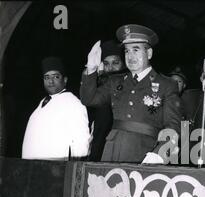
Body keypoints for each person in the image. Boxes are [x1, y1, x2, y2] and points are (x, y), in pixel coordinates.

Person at [80, 24, 183, 164]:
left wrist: (159, 154)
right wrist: (91, 68)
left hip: (145, 153)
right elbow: (89, 99)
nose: (130, 56)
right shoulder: (115, 81)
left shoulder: (166, 85)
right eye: (127, 51)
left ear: (149, 53)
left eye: (136, 50)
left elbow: (173, 126)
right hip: (112, 151)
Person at [22, 56, 90, 160]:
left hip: (54, 167)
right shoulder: (43, 102)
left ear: (65, 80)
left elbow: (81, 146)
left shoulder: (73, 102)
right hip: (31, 167)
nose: (51, 81)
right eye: (47, 77)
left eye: (56, 77)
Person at [88, 40, 126, 161]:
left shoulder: (128, 85)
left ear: (124, 63)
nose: (110, 68)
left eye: (115, 63)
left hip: (116, 150)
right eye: (106, 63)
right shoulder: (97, 85)